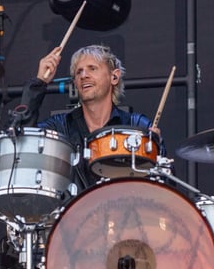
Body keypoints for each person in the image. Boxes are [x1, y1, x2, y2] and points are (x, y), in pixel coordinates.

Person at [20, 44, 162, 189]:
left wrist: (154, 153)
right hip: (72, 211)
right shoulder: (60, 127)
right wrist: (39, 83)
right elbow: (21, 140)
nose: (84, 75)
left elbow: (163, 185)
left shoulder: (137, 126)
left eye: (92, 69)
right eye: (78, 72)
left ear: (114, 77)